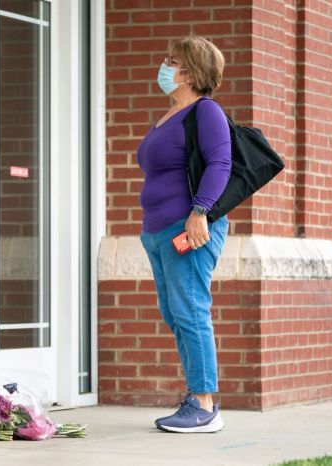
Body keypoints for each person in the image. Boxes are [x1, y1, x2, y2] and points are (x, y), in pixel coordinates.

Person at [137, 36, 231, 433]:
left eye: (171, 61)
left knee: (191, 312)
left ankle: (205, 405)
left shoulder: (205, 112)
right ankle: (197, 395)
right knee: (176, 314)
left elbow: (220, 163)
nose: (164, 66)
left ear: (190, 72)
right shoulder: (169, 115)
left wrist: (200, 212)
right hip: (159, 232)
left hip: (188, 227)